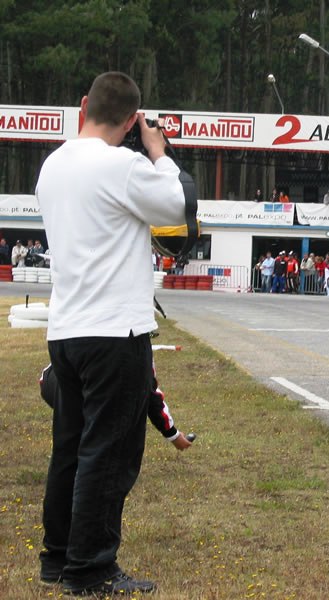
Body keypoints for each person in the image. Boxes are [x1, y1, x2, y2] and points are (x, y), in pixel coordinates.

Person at [34, 71, 187, 596]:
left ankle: (57, 558)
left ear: (83, 105)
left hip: (67, 328)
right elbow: (175, 207)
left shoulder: (53, 165)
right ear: (131, 121)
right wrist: (158, 151)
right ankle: (91, 568)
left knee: (70, 448)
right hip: (115, 331)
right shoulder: (123, 165)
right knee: (110, 453)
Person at [39, 362, 193, 450]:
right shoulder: (134, 341)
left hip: (51, 381)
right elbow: (150, 393)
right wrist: (173, 435)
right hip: (85, 388)